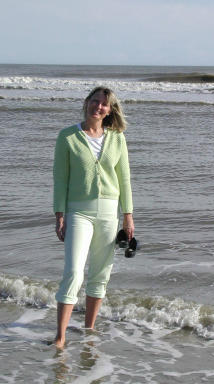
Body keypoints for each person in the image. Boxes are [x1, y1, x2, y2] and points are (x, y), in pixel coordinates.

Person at [53, 86, 134, 348]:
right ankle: (61, 337)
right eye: (95, 101)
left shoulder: (117, 138)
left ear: (110, 110)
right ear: (86, 103)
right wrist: (59, 215)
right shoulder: (67, 136)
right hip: (79, 212)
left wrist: (128, 217)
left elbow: (125, 180)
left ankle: (89, 329)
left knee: (100, 274)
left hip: (110, 213)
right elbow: (60, 180)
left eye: (104, 104)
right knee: (74, 271)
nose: (98, 107)